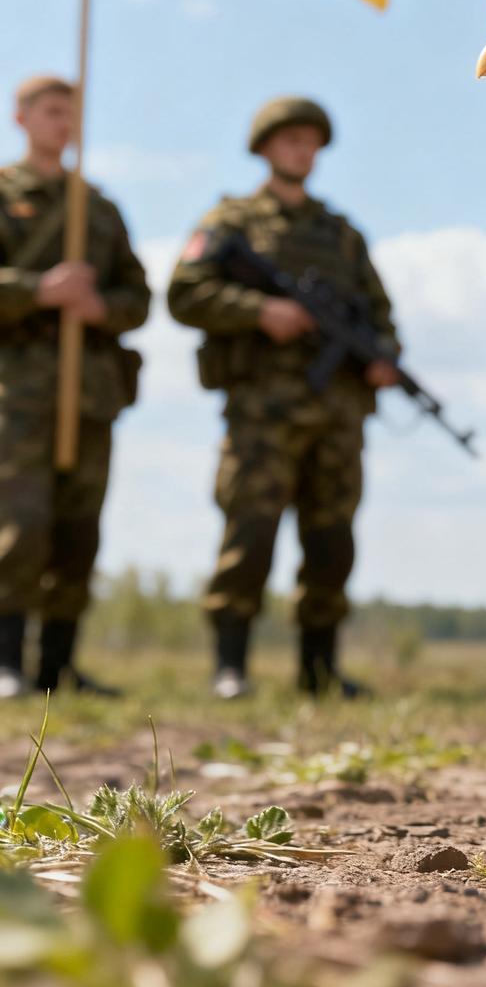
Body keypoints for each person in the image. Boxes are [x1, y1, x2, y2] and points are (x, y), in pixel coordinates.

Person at [167, 98, 399, 699]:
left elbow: (378, 315)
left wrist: (383, 358)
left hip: (336, 416)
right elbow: (185, 293)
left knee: (331, 542)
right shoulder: (232, 222)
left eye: (312, 142)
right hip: (261, 415)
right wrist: (260, 310)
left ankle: (318, 671)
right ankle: (230, 667)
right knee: (249, 535)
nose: (303, 151)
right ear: (266, 148)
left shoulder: (341, 235)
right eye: (291, 140)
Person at [0, 74, 150, 696]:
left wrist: (99, 308)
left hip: (89, 392)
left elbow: (137, 298)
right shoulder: (5, 196)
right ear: (23, 117)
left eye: (71, 113)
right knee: (20, 524)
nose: (63, 123)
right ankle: (6, 661)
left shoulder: (100, 208)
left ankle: (57, 666)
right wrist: (37, 290)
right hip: (19, 392)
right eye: (52, 111)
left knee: (78, 529)